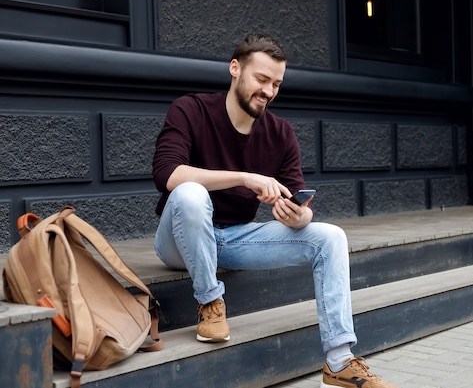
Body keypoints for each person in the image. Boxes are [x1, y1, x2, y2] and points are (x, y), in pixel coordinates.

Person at [152, 33, 398, 388]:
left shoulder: (280, 132)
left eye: (276, 84)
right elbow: (167, 174)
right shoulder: (190, 109)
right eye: (261, 79)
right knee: (191, 193)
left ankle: (340, 360)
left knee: (330, 236)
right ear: (235, 69)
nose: (268, 90)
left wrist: (300, 216)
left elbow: (299, 200)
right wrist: (245, 178)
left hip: (234, 239)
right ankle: (210, 302)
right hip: (179, 241)